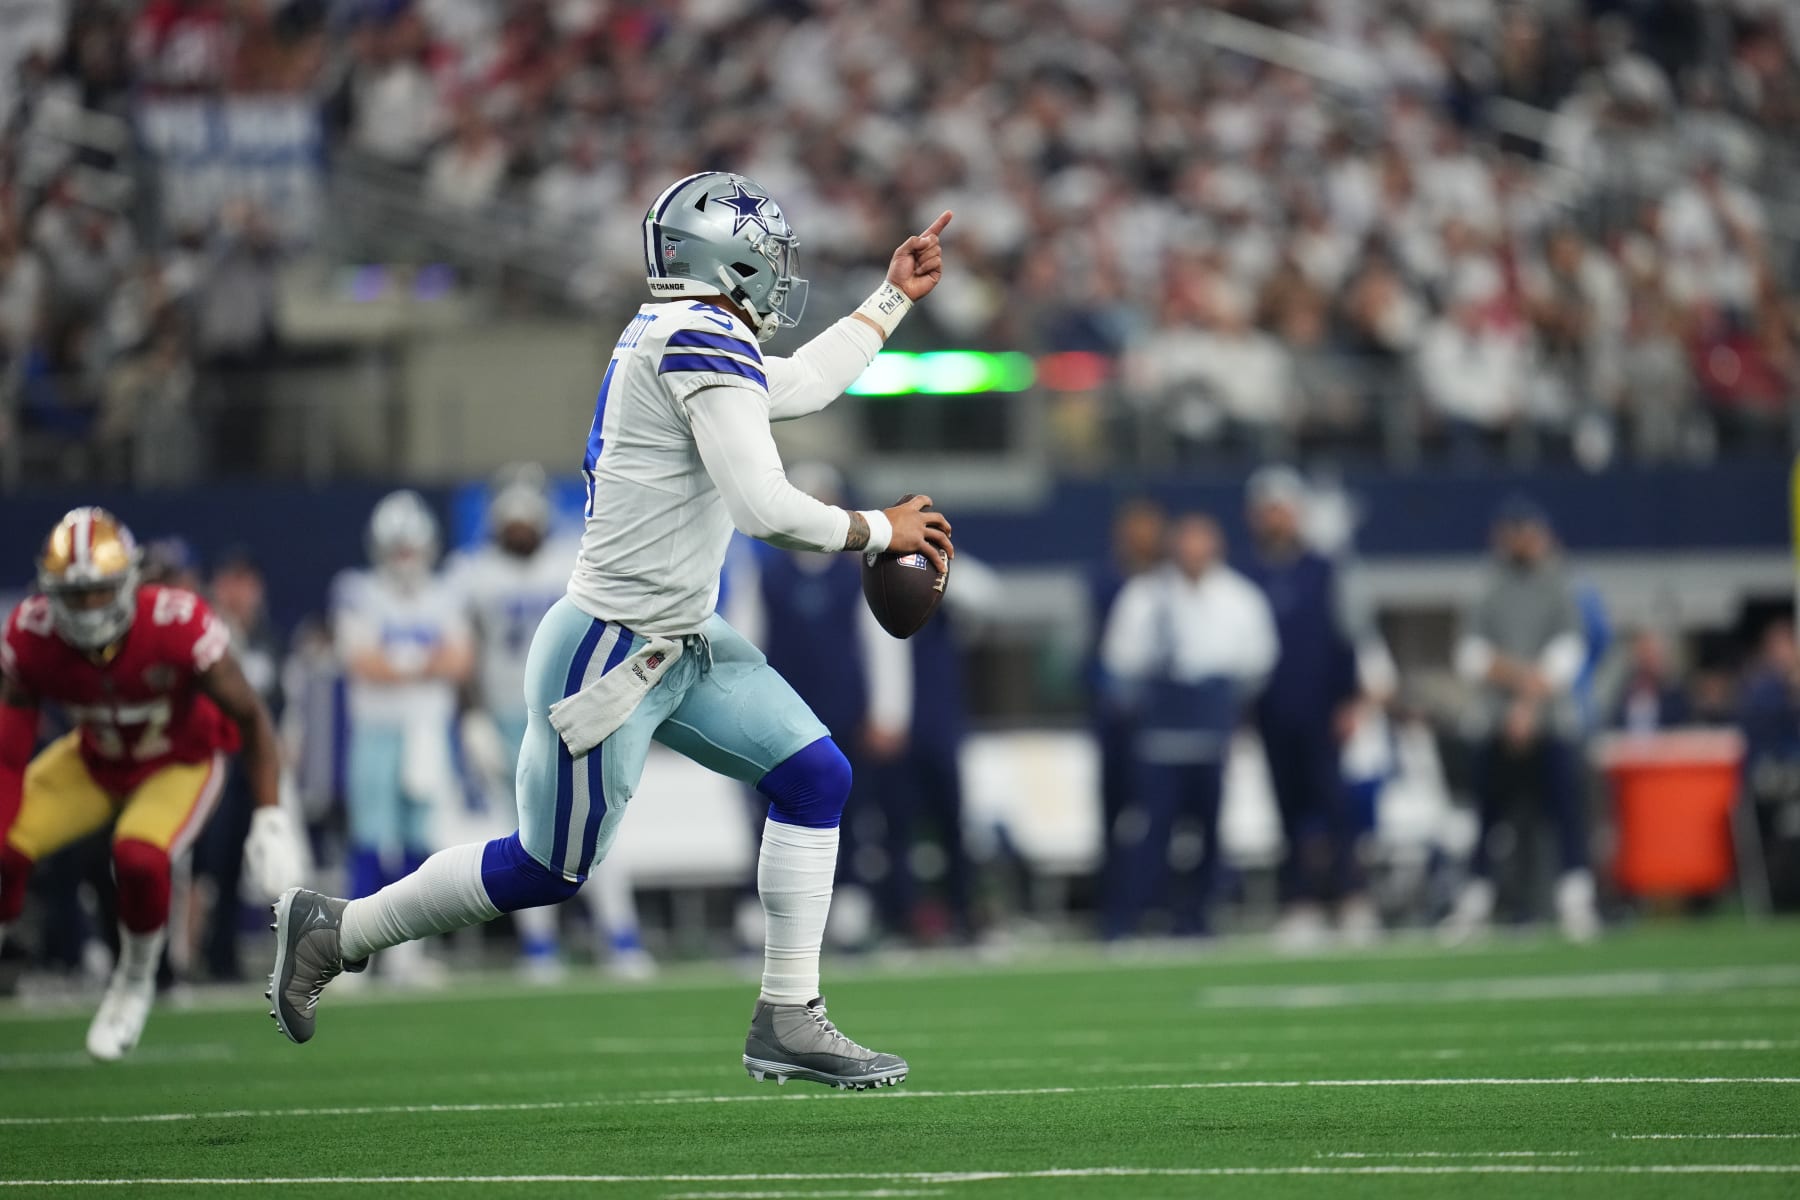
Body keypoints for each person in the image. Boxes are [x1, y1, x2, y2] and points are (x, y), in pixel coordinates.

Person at [270, 171, 954, 1092]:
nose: (778, 272)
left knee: (816, 775)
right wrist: (880, 528)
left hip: (683, 638)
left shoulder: (693, 333)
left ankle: (789, 1012)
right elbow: (762, 508)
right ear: (731, 258)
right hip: (612, 652)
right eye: (768, 254)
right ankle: (338, 930)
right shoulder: (698, 339)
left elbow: (802, 383)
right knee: (549, 869)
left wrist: (888, 299)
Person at [0, 508, 304, 1059]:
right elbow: (8, 744)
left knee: (138, 857)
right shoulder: (33, 631)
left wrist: (270, 815)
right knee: (4, 847)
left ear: (128, 582)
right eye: (75, 593)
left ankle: (134, 980)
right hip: (94, 760)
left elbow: (251, 715)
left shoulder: (176, 622)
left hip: (179, 760)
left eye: (99, 590)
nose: (89, 606)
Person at [447, 467, 653, 981]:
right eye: (510, 521)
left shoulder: (571, 563)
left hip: (572, 711)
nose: (519, 530)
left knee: (598, 824)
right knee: (523, 837)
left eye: (526, 520)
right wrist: (470, 716)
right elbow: (464, 650)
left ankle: (619, 934)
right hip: (506, 717)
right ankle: (540, 946)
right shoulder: (474, 572)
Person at [1099, 513, 1277, 939]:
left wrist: (1223, 700)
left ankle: (1197, 915)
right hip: (1159, 734)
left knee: (1208, 829)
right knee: (1152, 828)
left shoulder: (1239, 597)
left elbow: (1258, 661)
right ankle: (1139, 913)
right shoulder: (1146, 595)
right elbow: (1120, 662)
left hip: (1211, 732)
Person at [331, 490, 474, 984]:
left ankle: (408, 953)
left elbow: (459, 661)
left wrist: (400, 663)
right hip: (375, 730)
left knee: (420, 844)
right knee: (370, 839)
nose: (406, 560)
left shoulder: (444, 593)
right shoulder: (357, 589)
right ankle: (349, 953)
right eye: (398, 550)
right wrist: (423, 662)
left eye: (411, 549)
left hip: (427, 733)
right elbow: (363, 662)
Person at [1442, 497, 1601, 943]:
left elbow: (1569, 655)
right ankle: (1475, 902)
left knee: (1565, 814)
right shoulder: (1488, 587)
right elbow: (1470, 656)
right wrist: (1521, 681)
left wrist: (1527, 703)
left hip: (1550, 721)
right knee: (1490, 816)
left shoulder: (1560, 586)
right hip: (1496, 722)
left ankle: (1575, 901)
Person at [1241, 467, 1380, 944]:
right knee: (1287, 810)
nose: (1275, 518)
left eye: (1281, 509)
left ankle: (1351, 896)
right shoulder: (1248, 575)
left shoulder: (1324, 569)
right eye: (1267, 510)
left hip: (1323, 707)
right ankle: (1298, 901)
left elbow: (1348, 638)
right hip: (1273, 708)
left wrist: (1351, 701)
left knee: (1333, 805)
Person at [195, 548, 291, 981]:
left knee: (236, 863)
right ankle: (182, 953)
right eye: (232, 582)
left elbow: (276, 703)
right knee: (202, 865)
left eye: (247, 582)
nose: (240, 593)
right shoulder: (208, 635)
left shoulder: (266, 639)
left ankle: (222, 954)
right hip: (211, 763)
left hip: (250, 766)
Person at [1088, 499, 1166, 901]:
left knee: (1157, 813)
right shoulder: (1104, 582)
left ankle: (1154, 897)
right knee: (1113, 812)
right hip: (1114, 714)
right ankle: (1115, 904)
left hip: (1159, 719)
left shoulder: (1169, 585)